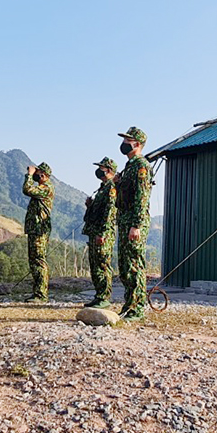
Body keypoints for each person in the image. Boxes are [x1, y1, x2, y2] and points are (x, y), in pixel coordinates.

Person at [115, 127, 152, 322]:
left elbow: (142, 197)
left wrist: (136, 225)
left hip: (134, 222)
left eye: (128, 140)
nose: (124, 143)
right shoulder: (129, 166)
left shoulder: (141, 166)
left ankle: (137, 309)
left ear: (137, 144)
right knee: (125, 265)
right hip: (125, 220)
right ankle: (129, 305)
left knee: (134, 265)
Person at [82, 157, 117, 309]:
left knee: (102, 265)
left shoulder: (111, 188)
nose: (98, 171)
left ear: (108, 170)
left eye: (101, 168)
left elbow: (110, 212)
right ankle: (99, 295)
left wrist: (102, 233)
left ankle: (104, 297)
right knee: (95, 265)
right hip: (94, 231)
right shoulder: (102, 188)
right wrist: (90, 206)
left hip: (102, 234)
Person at [23, 162, 55, 302]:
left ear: (43, 175)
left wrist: (29, 175)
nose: (35, 175)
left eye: (37, 173)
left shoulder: (46, 188)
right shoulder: (43, 187)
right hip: (35, 228)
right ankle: (37, 292)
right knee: (34, 260)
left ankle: (41, 294)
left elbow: (27, 189)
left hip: (40, 229)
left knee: (39, 260)